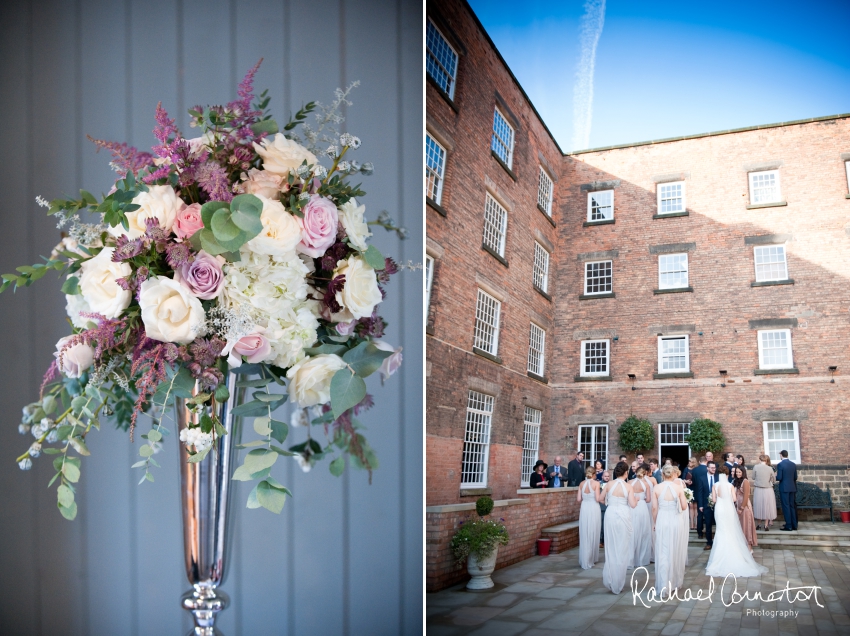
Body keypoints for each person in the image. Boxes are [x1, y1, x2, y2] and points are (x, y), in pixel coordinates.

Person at [705, 465, 769, 577]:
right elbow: (734, 499)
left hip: (719, 509)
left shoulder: (715, 485)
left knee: (720, 530)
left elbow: (714, 500)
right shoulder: (730, 485)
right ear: (727, 475)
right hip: (729, 510)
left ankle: (718, 559)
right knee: (730, 530)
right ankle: (734, 556)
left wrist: (715, 498)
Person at [597, 462, 637, 594]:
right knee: (622, 548)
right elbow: (632, 504)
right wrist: (635, 499)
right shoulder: (628, 486)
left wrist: (610, 503)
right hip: (624, 515)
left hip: (611, 514)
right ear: (626, 473)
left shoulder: (609, 484)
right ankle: (618, 582)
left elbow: (600, 499)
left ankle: (611, 579)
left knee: (611, 546)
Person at [652, 465, 687, 595]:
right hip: (675, 520)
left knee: (663, 551)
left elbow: (654, 509)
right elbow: (684, 507)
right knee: (674, 549)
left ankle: (663, 584)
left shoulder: (657, 488)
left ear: (662, 475)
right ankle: (674, 582)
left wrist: (655, 523)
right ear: (673, 474)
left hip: (662, 519)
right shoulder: (678, 488)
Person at [577, 467, 602, 569]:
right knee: (593, 531)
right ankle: (591, 558)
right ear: (594, 474)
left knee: (585, 532)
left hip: (584, 508)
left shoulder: (581, 483)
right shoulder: (596, 484)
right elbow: (597, 498)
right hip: (593, 508)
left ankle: (585, 559)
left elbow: (579, 499)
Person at [629, 464, 652, 568]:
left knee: (632, 531)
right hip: (642, 507)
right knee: (643, 532)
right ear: (644, 474)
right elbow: (648, 500)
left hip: (632, 507)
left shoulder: (629, 483)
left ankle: (631, 558)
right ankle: (641, 559)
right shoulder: (646, 484)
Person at [732, 465, 758, 550]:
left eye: (739, 472)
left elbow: (746, 496)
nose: (738, 474)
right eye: (737, 472)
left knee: (747, 526)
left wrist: (742, 508)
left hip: (745, 507)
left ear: (743, 473)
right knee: (740, 527)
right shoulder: (735, 481)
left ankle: (749, 547)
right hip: (737, 506)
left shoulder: (745, 481)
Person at [693, 460, 716, 549]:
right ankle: (709, 543)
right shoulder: (702, 478)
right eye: (712, 468)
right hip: (706, 504)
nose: (714, 469)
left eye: (714, 468)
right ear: (707, 468)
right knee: (708, 524)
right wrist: (701, 505)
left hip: (718, 504)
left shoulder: (718, 477)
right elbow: (700, 492)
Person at [752, 455, 777, 531]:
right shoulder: (769, 468)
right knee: (767, 506)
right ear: (766, 461)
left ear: (760, 460)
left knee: (758, 505)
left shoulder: (756, 467)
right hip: (768, 489)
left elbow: (753, 477)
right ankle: (766, 525)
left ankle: (759, 524)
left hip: (758, 488)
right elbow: (774, 480)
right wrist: (769, 481)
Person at [776, 450, 798, 531]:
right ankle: (794, 524)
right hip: (792, 487)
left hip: (784, 488)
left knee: (786, 506)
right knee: (792, 506)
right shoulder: (793, 464)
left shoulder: (780, 464)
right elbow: (795, 477)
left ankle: (788, 525)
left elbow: (779, 478)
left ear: (781, 455)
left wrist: (775, 476)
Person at [683, 457, 698, 530]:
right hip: (689, 489)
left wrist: (693, 482)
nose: (689, 462)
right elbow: (683, 478)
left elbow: (698, 479)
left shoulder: (696, 469)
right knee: (691, 507)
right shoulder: (686, 469)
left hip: (695, 488)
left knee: (696, 507)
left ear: (694, 462)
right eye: (689, 461)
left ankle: (696, 524)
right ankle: (691, 524)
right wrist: (686, 481)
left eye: (691, 461)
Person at [599, 470, 610, 548]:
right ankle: (601, 541)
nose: (607, 477)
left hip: (610, 507)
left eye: (608, 476)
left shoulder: (611, 484)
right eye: (605, 476)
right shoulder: (599, 484)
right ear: (602, 476)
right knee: (602, 525)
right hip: (602, 507)